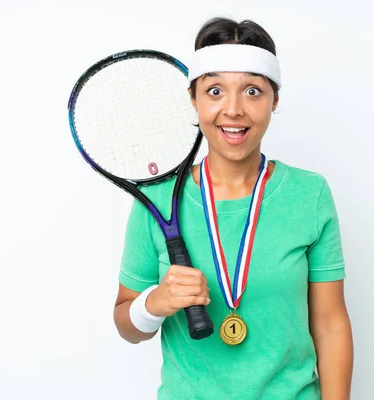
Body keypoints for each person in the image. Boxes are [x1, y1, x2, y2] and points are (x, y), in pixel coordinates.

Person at [113, 17, 353, 400]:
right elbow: (127, 325)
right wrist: (154, 303)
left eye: (253, 91)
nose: (234, 110)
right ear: (193, 100)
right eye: (215, 91)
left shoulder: (310, 194)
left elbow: (329, 323)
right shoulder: (156, 201)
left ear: (275, 100)